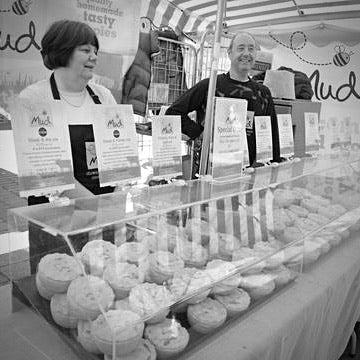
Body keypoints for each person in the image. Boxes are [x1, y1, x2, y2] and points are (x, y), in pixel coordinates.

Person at [18, 19, 117, 273]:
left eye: (95, 50)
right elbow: (45, 170)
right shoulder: (33, 98)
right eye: (85, 50)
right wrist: (92, 204)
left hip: (101, 210)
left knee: (100, 283)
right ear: (62, 50)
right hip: (56, 215)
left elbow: (118, 153)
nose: (94, 56)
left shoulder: (103, 96)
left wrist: (111, 201)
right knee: (58, 283)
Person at [165, 31, 281, 177]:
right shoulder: (211, 85)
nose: (246, 53)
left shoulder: (263, 93)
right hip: (208, 173)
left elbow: (272, 134)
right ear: (229, 53)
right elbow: (173, 112)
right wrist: (199, 133)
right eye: (241, 48)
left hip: (248, 174)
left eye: (251, 48)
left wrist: (276, 168)